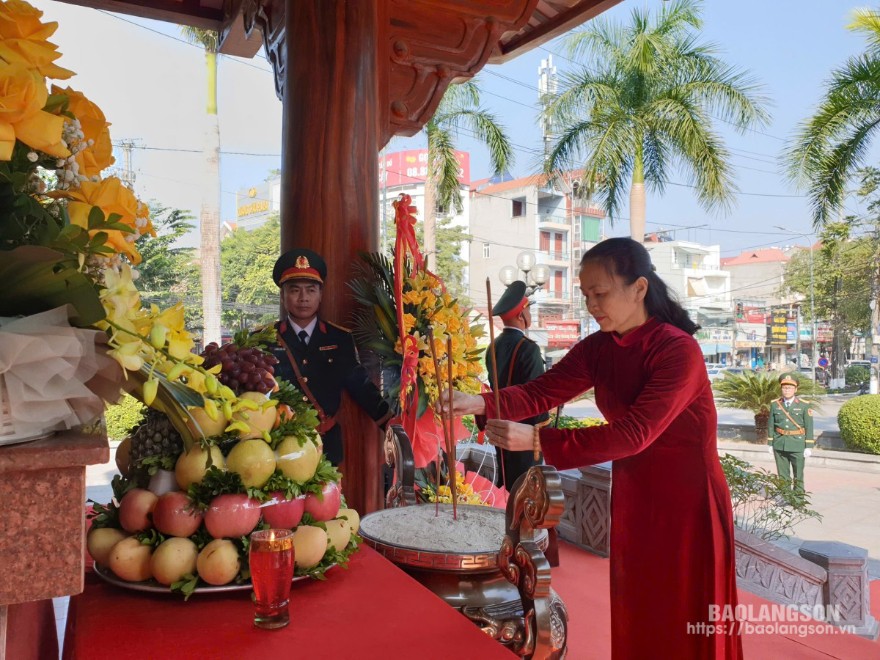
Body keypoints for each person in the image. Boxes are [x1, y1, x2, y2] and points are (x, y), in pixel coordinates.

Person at [444, 237, 742, 659]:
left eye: (599, 293)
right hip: (636, 495)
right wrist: (479, 402)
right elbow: (539, 392)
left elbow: (634, 433)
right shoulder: (601, 347)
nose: (591, 305)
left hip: (687, 502)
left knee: (685, 610)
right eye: (585, 295)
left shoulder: (678, 349)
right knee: (638, 607)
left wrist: (536, 440)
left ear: (639, 288)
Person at [268, 248, 392, 466]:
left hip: (325, 445)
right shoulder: (264, 339)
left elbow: (361, 386)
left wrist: (392, 423)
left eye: (311, 290)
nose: (303, 298)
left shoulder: (339, 338)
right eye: (294, 290)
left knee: (327, 499)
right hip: (278, 445)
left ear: (320, 295)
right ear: (282, 295)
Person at [485, 280, 550, 490]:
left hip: (501, 430)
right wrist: (543, 432)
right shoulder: (527, 348)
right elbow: (536, 398)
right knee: (526, 494)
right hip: (524, 436)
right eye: (529, 309)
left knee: (506, 486)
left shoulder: (492, 347)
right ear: (521, 315)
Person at [769, 374, 813, 493]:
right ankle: (785, 496)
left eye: (789, 388)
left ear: (795, 389)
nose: (786, 390)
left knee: (798, 474)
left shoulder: (804, 405)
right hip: (779, 443)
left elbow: (809, 426)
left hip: (797, 444)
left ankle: (798, 498)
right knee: (782, 474)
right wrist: (770, 443)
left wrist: (808, 446)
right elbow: (771, 425)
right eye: (784, 388)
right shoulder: (775, 404)